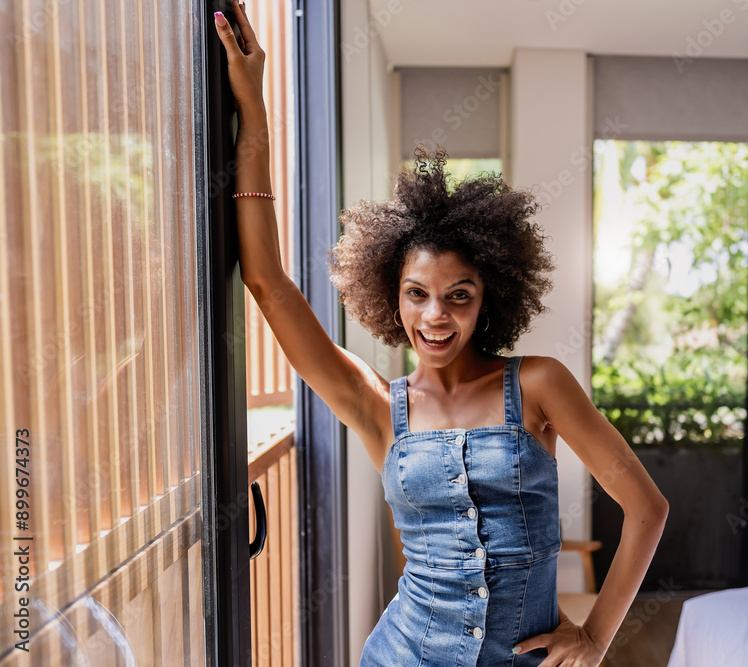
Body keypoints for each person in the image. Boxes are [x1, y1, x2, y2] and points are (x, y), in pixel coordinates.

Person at [214, 3, 669, 665]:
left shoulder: (538, 384)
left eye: (459, 295)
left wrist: (596, 635)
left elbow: (646, 507)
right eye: (417, 294)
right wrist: (254, 111)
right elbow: (268, 285)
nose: (437, 316)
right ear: (391, 299)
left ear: (487, 300)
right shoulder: (376, 406)